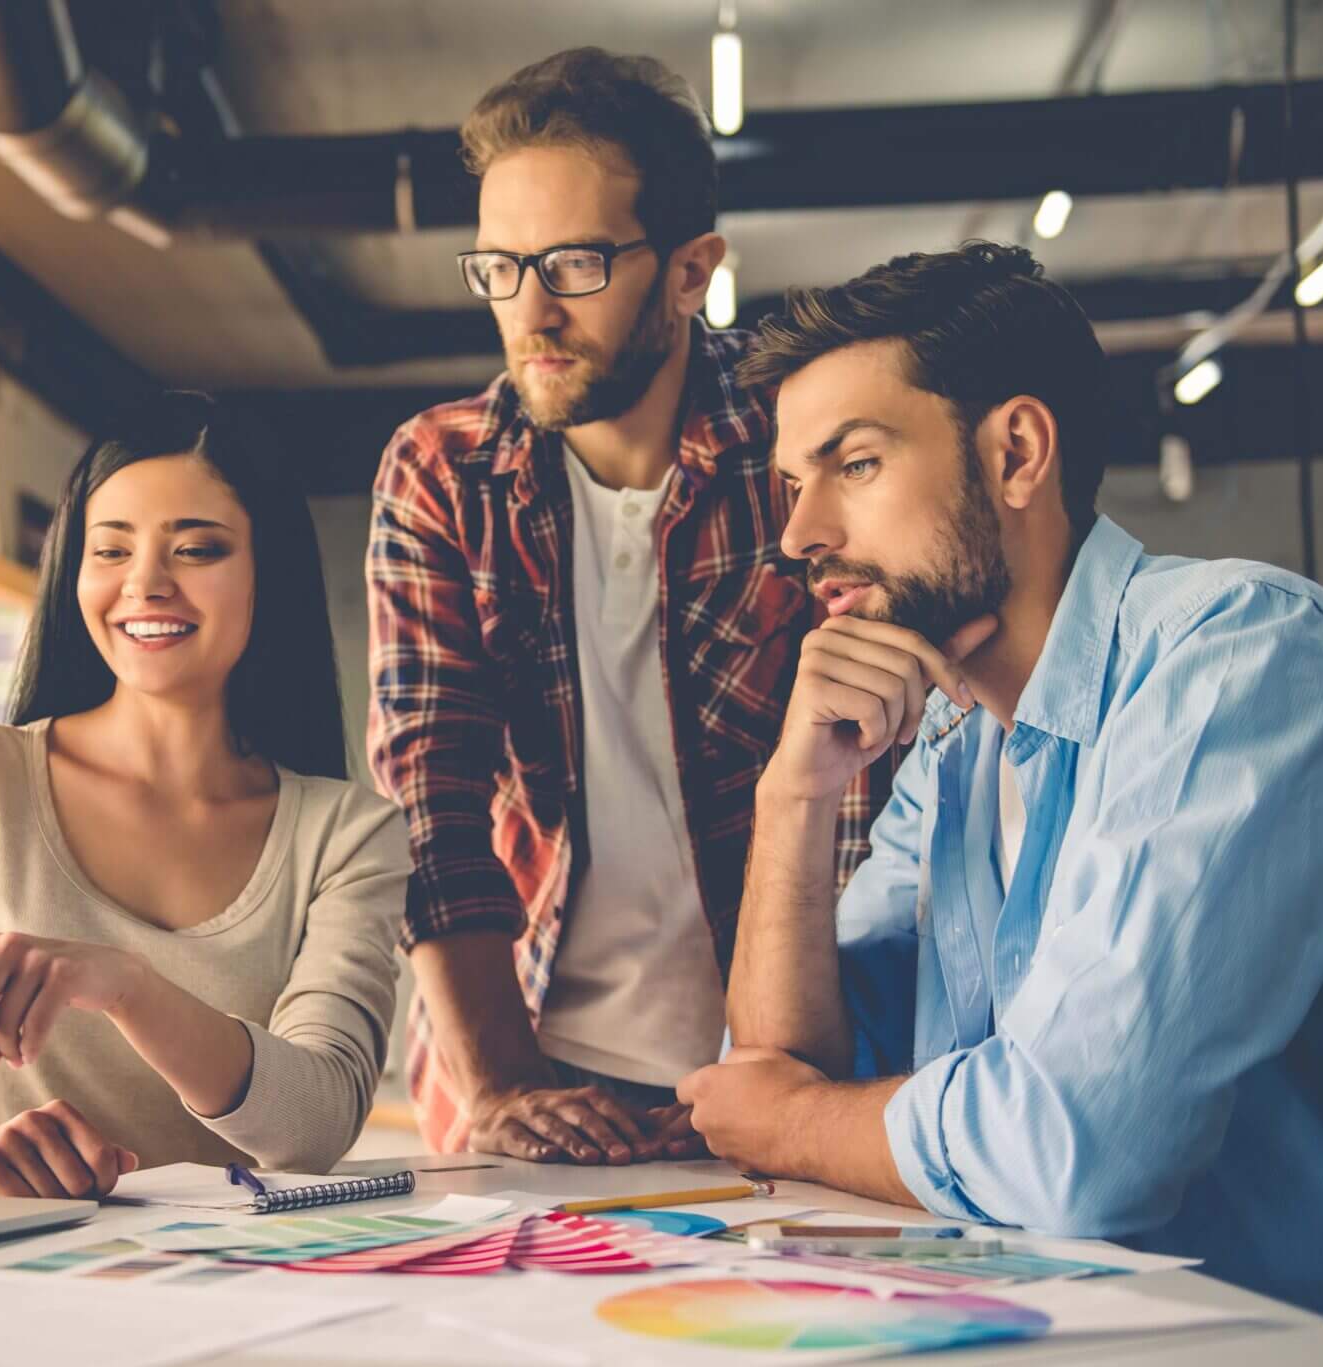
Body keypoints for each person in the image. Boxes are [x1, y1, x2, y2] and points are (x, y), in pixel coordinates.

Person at [678, 242, 1323, 1354]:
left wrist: (800, 1120)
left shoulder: (1237, 658)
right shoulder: (954, 745)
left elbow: (1077, 1151)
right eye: (789, 486)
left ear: (1015, 452)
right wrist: (790, 802)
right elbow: (790, 1071)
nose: (800, 535)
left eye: (850, 465)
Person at [367, 47, 895, 1162]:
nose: (531, 310)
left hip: (794, 1054)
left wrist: (805, 1081)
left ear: (691, 271)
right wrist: (502, 1080)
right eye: (499, 267)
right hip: (527, 1054)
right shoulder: (440, 472)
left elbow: (869, 780)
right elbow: (430, 790)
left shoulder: (793, 444)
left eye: (572, 263)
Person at [0, 391, 409, 1198]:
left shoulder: (348, 834)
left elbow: (314, 1126)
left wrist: (127, 987)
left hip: (249, 1298)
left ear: (269, 573)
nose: (145, 583)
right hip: (0, 1294)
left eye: (197, 549)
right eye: (109, 550)